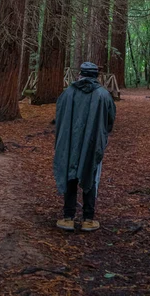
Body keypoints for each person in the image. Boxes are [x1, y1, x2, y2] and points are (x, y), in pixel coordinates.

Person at [53, 61, 116, 232]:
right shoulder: (104, 95)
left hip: (70, 142)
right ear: (96, 76)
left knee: (70, 174)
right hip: (92, 143)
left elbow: (59, 117)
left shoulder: (68, 93)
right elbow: (110, 120)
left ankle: (68, 217)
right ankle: (88, 219)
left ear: (80, 74)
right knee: (91, 174)